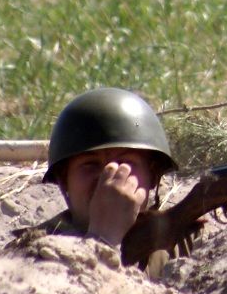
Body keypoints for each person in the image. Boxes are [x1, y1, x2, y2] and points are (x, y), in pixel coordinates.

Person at [18, 87, 178, 251]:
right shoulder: (32, 251)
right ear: (64, 180)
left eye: (125, 163)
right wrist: (104, 239)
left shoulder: (177, 242)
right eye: (90, 164)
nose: (108, 176)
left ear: (153, 175)